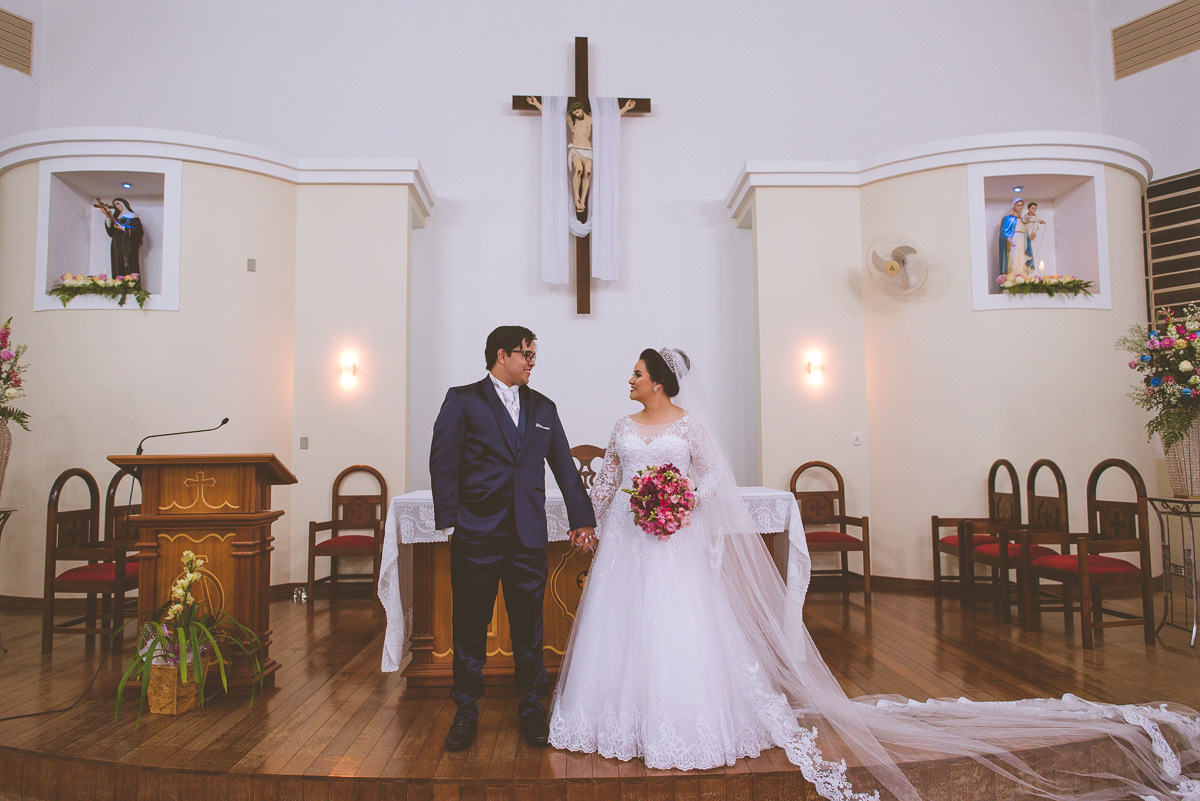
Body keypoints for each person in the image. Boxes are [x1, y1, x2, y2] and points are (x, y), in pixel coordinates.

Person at [550, 346, 1200, 801]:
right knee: (623, 628)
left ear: (659, 380)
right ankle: (614, 720)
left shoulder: (689, 425)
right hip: (630, 540)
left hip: (677, 539)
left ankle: (685, 721)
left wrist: (683, 497)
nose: (629, 380)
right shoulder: (622, 424)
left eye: (636, 373)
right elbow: (608, 477)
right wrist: (591, 514)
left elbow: (712, 475)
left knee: (680, 628)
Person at [430, 325, 596, 752]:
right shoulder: (462, 399)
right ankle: (465, 711)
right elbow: (443, 461)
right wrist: (452, 522)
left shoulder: (543, 407)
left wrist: (583, 519)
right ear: (502, 355)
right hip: (476, 533)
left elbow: (563, 465)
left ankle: (531, 709)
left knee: (529, 628)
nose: (532, 361)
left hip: (527, 535)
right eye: (526, 354)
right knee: (470, 626)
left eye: (534, 354)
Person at [98, 197, 144, 278]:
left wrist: (124, 228)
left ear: (124, 204)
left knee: (128, 264)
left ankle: (131, 285)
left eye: (118, 204)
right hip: (117, 244)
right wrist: (108, 217)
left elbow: (138, 231)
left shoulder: (132, 216)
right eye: (115, 205)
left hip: (128, 244)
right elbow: (111, 232)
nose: (117, 206)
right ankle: (118, 284)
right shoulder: (116, 217)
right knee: (117, 264)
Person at [999, 198, 1032, 276]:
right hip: (1014, 241)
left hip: (1022, 242)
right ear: (1013, 206)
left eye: (1021, 205)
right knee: (1014, 260)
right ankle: (1013, 277)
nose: (1020, 207)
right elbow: (1004, 232)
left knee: (1022, 260)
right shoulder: (1008, 219)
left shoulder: (1022, 219)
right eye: (1018, 205)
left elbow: (1025, 231)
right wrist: (1008, 239)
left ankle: (1021, 277)